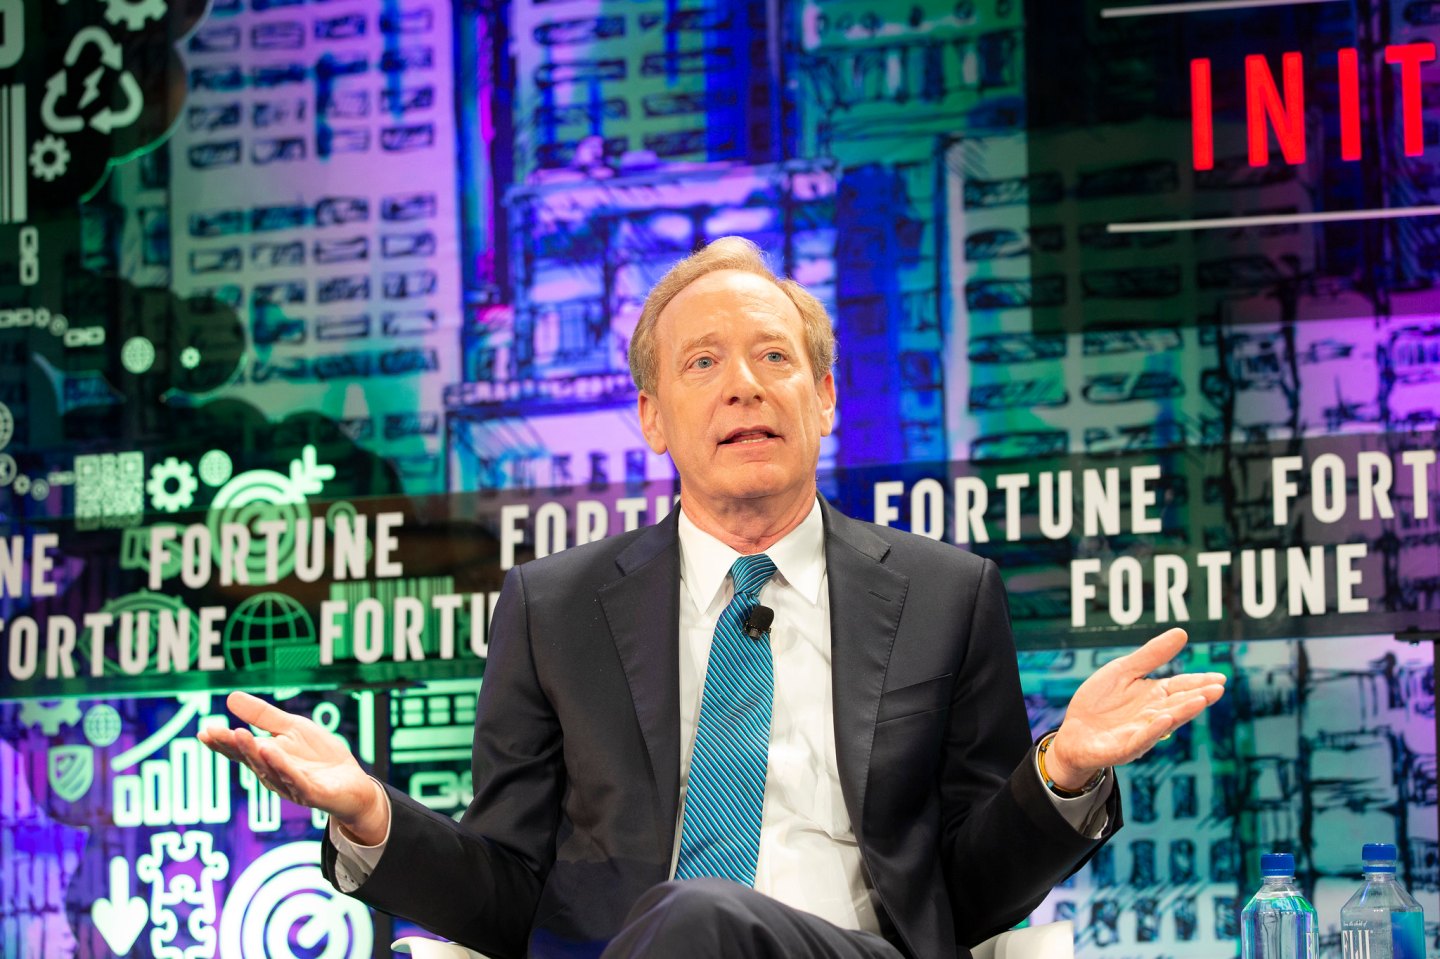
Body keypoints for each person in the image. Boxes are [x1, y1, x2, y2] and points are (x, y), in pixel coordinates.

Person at [199, 237, 1226, 959]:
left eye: (776, 357)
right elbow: (508, 889)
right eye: (703, 363)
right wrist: (372, 813)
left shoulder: (945, 594)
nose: (744, 384)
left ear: (825, 398)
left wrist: (1062, 770)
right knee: (687, 922)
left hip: (852, 951)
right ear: (652, 417)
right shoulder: (555, 609)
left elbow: (971, 884)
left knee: (699, 917)